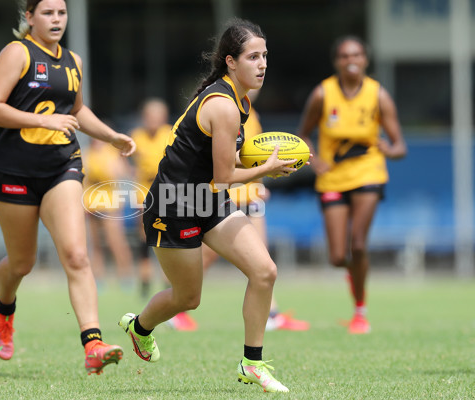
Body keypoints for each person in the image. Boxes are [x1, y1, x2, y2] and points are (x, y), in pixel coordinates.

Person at [118, 19, 298, 393]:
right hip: (173, 204)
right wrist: (268, 169)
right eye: (253, 57)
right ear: (231, 62)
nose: (262, 63)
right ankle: (140, 327)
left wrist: (258, 166)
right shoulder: (224, 106)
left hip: (208, 200)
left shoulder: (240, 100)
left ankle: (252, 363)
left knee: (264, 271)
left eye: (265, 56)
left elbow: (219, 175)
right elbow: (222, 175)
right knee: (188, 298)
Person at [0, 0, 135, 375]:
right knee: (22, 263)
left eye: (61, 13)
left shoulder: (73, 62)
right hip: (14, 172)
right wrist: (42, 121)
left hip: (61, 167)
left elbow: (77, 111)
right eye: (47, 13)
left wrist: (110, 136)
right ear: (29, 17)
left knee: (77, 255)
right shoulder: (17, 53)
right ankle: (4, 309)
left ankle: (93, 344)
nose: (56, 20)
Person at [296, 36, 406, 334]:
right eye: (344, 56)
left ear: (366, 59)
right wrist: (314, 159)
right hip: (332, 177)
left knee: (358, 243)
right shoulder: (322, 94)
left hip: (368, 173)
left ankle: (360, 311)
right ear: (337, 61)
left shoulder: (377, 95)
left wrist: (388, 149)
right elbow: (303, 135)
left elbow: (400, 146)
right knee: (336, 257)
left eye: (356, 54)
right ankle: (356, 274)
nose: (351, 60)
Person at [199, 89, 310, 332]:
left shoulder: (252, 114)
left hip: (251, 196)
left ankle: (271, 313)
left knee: (262, 258)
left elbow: (254, 158)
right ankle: (175, 301)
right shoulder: (226, 111)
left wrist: (259, 184)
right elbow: (227, 162)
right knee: (205, 257)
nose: (257, 86)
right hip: (230, 195)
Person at [129, 98, 173, 299]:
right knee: (145, 237)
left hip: (167, 189)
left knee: (168, 235)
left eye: (157, 116)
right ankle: (145, 281)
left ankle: (168, 280)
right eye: (149, 116)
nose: (153, 120)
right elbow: (123, 159)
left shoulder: (170, 134)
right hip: (144, 190)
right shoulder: (137, 136)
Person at [83, 138, 135, 291]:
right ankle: (98, 279)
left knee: (116, 242)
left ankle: (126, 276)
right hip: (90, 204)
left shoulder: (112, 154)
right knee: (95, 244)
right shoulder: (87, 153)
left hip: (109, 204)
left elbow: (123, 173)